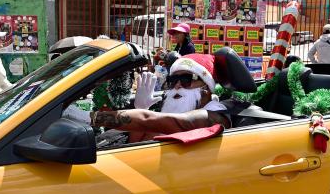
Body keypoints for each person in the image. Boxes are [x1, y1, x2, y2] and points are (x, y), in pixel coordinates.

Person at [63, 53, 231, 143]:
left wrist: (91, 118)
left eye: (187, 80)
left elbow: (150, 120)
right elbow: (136, 145)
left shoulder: (214, 115)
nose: (178, 85)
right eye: (173, 80)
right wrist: (141, 108)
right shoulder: (169, 113)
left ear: (207, 88)